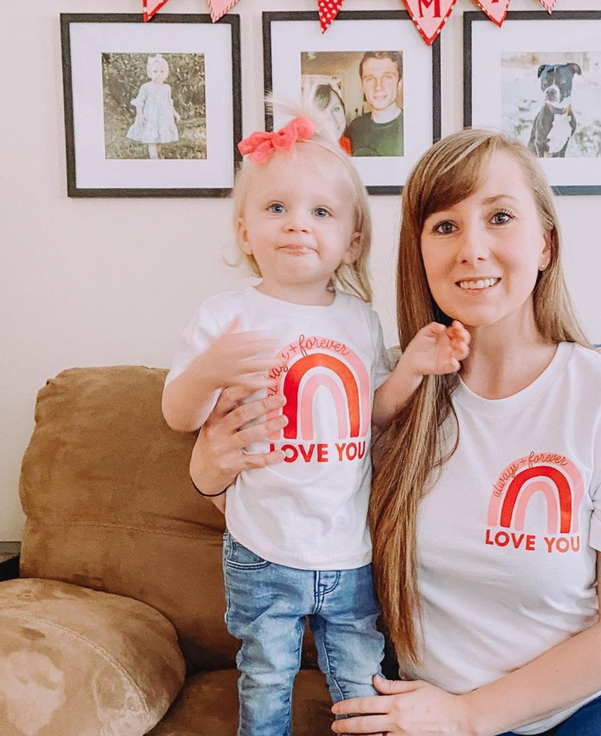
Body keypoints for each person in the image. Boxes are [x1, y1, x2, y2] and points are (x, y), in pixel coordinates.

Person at [189, 129, 601, 736]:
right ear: (420, 251)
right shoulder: (382, 387)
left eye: (501, 217)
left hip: (593, 706)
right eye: (445, 226)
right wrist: (208, 466)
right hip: (421, 703)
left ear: (546, 244)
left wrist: (469, 715)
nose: (472, 249)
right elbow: (277, 508)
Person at [162, 112, 469, 736]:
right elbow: (178, 414)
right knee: (267, 673)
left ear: (352, 241)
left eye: (322, 213)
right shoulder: (226, 315)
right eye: (277, 207)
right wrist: (208, 370)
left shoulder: (360, 322)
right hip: (262, 544)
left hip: (349, 550)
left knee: (360, 677)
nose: (299, 223)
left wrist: (412, 366)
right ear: (245, 231)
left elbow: (372, 414)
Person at [344, 52, 404, 158]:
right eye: (370, 79)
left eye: (387, 77)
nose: (378, 87)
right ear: (362, 86)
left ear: (399, 84)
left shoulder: (411, 126)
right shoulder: (355, 127)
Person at [126, 54, 180, 160]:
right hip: (151, 116)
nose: (158, 74)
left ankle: (159, 153)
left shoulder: (167, 88)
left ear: (166, 73)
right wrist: (140, 114)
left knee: (159, 136)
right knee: (151, 137)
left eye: (162, 72)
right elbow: (139, 102)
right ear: (150, 73)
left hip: (163, 116)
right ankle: (153, 157)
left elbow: (169, 102)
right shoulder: (146, 87)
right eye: (155, 72)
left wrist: (175, 113)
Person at [309, 81, 352, 154]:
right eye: (321, 112)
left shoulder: (346, 143)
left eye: (336, 109)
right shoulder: (308, 152)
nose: (332, 119)